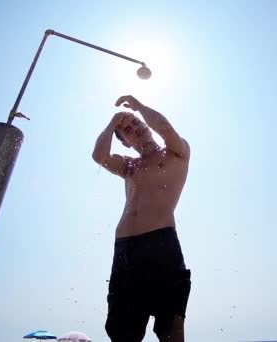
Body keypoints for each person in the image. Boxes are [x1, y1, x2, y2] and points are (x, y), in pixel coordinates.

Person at [92, 95, 192, 342]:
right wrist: (112, 122)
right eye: (127, 130)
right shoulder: (129, 166)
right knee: (123, 333)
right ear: (125, 143)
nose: (134, 128)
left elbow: (165, 128)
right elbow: (99, 156)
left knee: (171, 330)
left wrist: (139, 108)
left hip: (161, 245)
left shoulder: (176, 153)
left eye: (136, 123)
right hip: (125, 251)